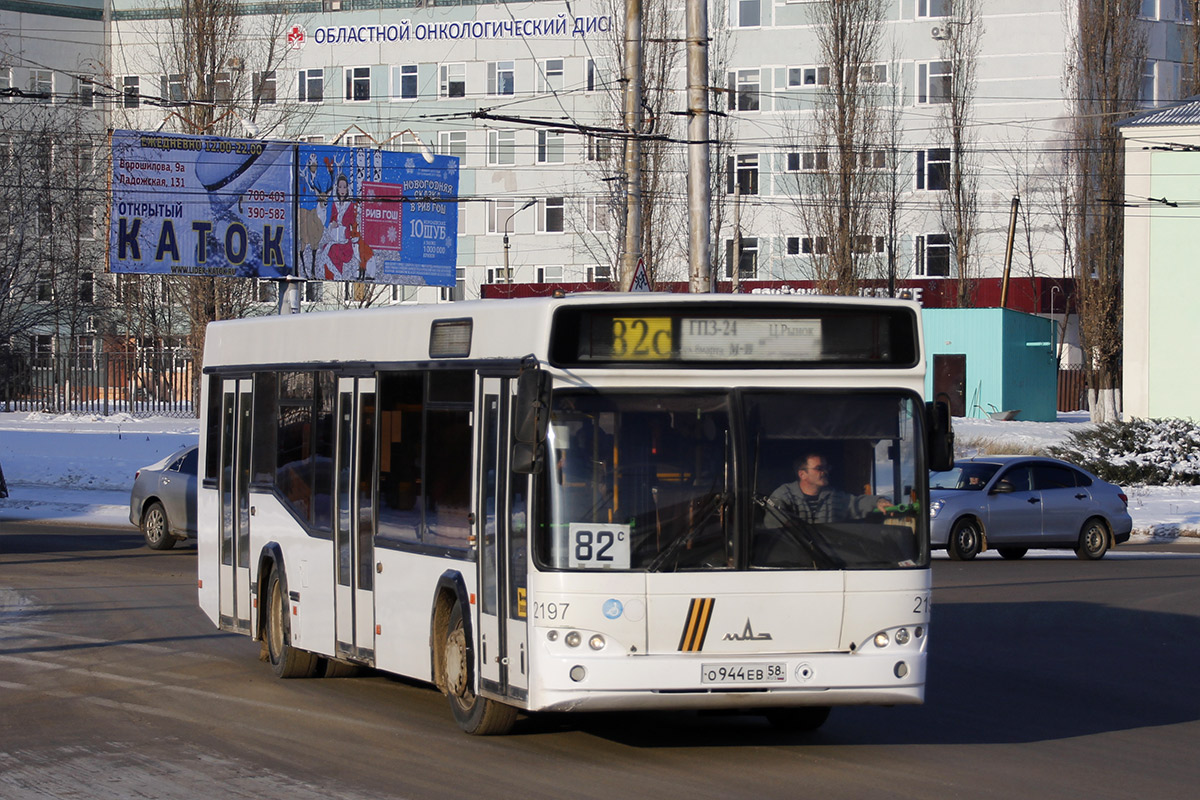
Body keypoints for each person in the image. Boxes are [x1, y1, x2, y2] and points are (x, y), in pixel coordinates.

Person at [765, 452, 890, 526]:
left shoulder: (833, 497)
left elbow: (857, 503)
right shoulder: (784, 495)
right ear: (802, 474)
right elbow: (773, 519)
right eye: (819, 468)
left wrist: (878, 502)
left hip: (827, 562)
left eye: (826, 468)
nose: (825, 472)